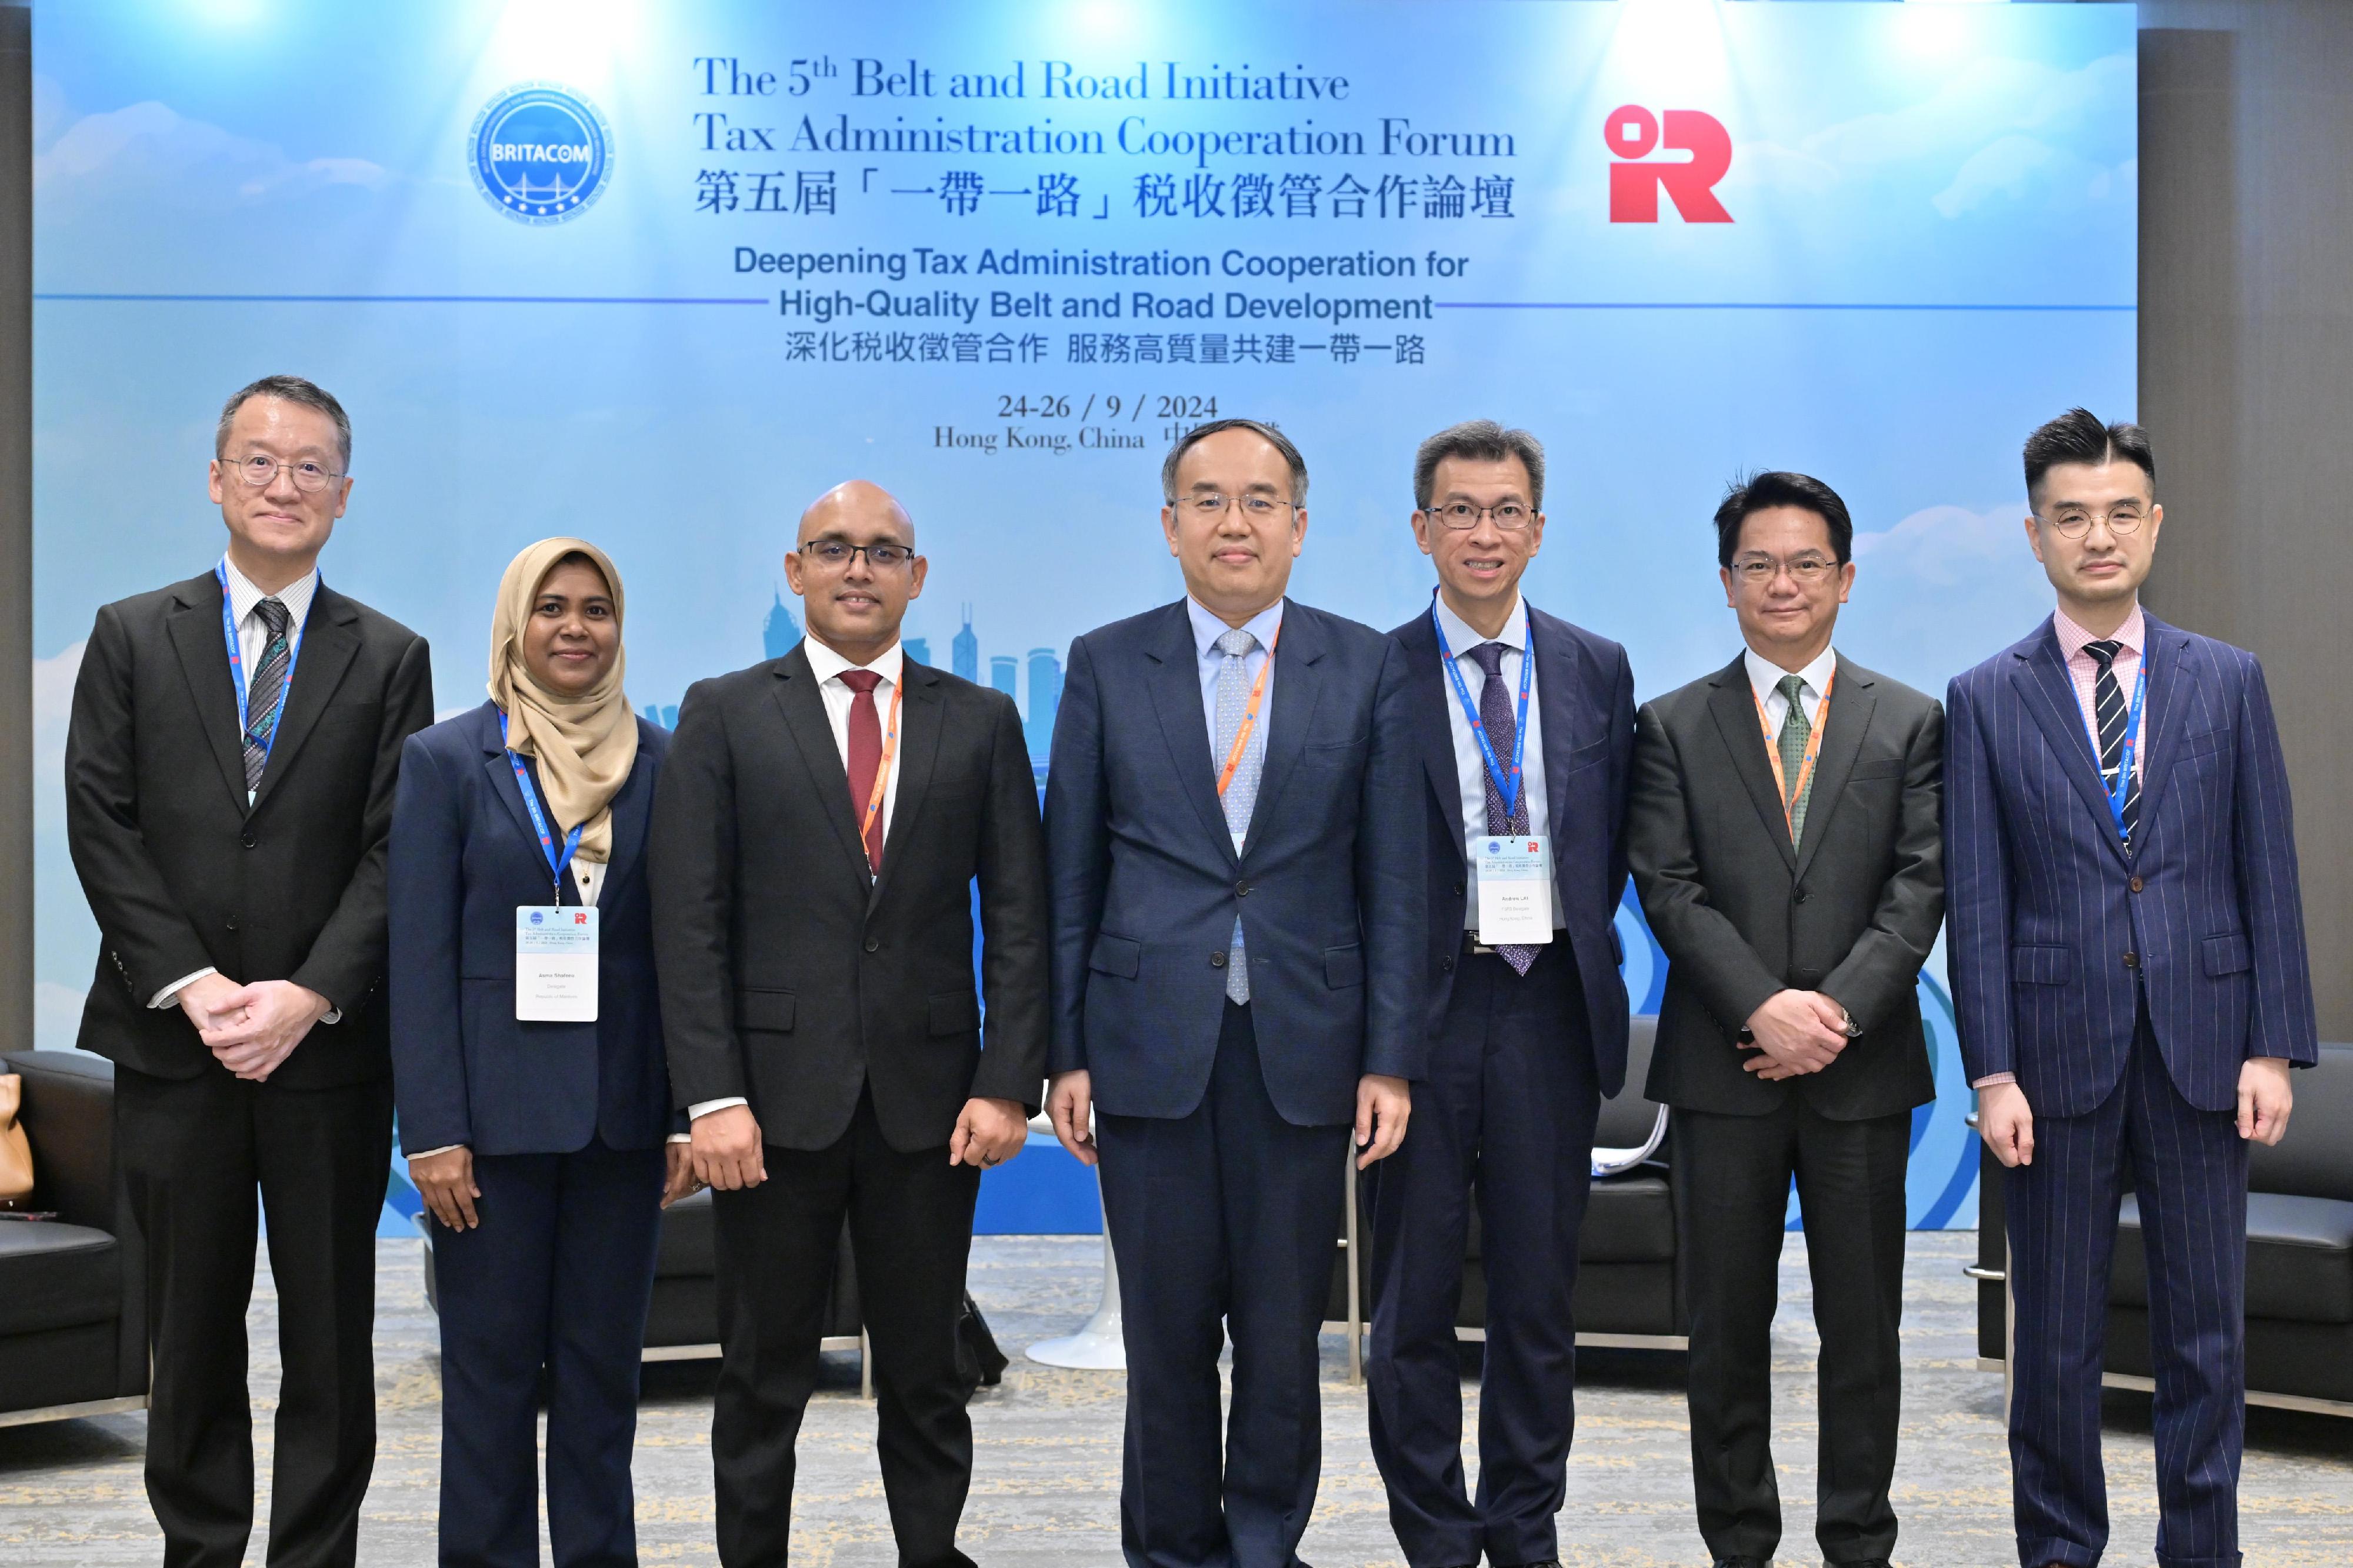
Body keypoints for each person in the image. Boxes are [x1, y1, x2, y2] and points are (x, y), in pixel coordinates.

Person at [64, 374, 434, 1567]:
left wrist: (308, 993)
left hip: (325, 1057)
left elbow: (395, 849)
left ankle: (315, 1553)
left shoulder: (388, 656)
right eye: (261, 462)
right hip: (173, 1044)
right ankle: (202, 1548)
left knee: (331, 1334)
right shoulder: (131, 632)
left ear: (345, 493)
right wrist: (194, 983)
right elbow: (100, 821)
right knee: (191, 1331)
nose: (286, 485)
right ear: (216, 479)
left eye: (311, 465)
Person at [1043, 418, 1424, 1568]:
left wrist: (1388, 1054)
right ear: (1169, 526)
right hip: (1147, 1047)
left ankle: (1264, 1543)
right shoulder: (1106, 661)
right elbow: (1070, 875)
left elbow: (1393, 876)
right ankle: (1167, 1549)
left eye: (1260, 500)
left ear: (1298, 527)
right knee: (1162, 1340)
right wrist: (1062, 1053)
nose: (1233, 522)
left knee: (1276, 1337)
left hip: (1304, 1052)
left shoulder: (1364, 665)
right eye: (1206, 500)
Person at [649, 480, 1048, 1568]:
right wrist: (712, 1098)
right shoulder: (725, 711)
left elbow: (1021, 914)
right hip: (769, 1111)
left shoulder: (983, 720)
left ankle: (932, 1554)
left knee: (925, 1371)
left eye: (883, 551)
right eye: (835, 549)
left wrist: (1010, 1079)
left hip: (934, 1105)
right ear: (796, 571)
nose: (858, 569)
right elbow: (689, 924)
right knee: (762, 1372)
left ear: (917, 577)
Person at [1947, 410, 2315, 1568]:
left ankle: (2200, 1550)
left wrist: (2271, 1045)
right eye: (2069, 517)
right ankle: (2057, 1547)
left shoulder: (2227, 680)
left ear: (2150, 525)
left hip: (2205, 1051)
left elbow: (2267, 869)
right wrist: (1989, 1067)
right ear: (2033, 534)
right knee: (2049, 1338)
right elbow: (1978, 896)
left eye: (2116, 513)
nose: (2094, 536)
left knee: (2203, 1334)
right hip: (2049, 1066)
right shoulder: (1982, 696)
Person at [1625, 471, 1944, 1568]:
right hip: (1724, 1071)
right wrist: (1763, 1005)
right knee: (1724, 1332)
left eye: (1807, 562)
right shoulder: (1668, 725)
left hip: (1862, 1077)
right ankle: (1740, 1544)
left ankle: (1858, 1539)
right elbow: (1668, 887)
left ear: (1846, 578)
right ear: (1726, 582)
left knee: (1864, 1332)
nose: (1783, 583)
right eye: (1759, 563)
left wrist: (1833, 1015)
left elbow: (1919, 889)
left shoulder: (1911, 721)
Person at [389, 539, 695, 1566]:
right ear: (514, 625)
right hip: (489, 1132)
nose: (575, 628)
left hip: (620, 1121)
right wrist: (432, 1130)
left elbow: (683, 953)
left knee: (604, 1382)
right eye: (552, 608)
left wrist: (686, 1111)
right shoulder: (445, 760)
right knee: (489, 1383)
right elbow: (418, 959)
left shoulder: (662, 759)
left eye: (597, 609)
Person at [1367, 419, 1635, 1568]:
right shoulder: (1368, 673)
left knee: (1535, 1303)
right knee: (1409, 1304)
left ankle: (1523, 1528)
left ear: (1536, 526)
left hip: (1546, 1013)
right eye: (1459, 512)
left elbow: (1611, 840)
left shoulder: (1593, 666)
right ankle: (1434, 1534)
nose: (1483, 533)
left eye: (1505, 510)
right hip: (1417, 1018)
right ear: (1421, 528)